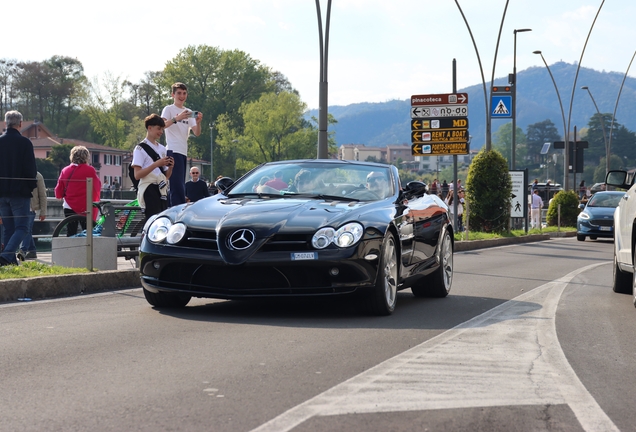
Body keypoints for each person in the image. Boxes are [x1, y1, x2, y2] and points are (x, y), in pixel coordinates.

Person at [0, 110, 37, 266]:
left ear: (6, 123)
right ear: (20, 124)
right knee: (23, 227)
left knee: (9, 229)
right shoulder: (25, 143)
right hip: (20, 193)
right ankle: (6, 257)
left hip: (2, 193)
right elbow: (30, 170)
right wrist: (30, 187)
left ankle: (9, 262)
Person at [161, 82, 202, 207]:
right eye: (179, 93)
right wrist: (177, 118)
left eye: (184, 93)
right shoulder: (168, 109)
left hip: (183, 151)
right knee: (176, 184)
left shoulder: (188, 112)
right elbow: (162, 125)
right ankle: (176, 210)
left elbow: (197, 132)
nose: (182, 96)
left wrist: (198, 122)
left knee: (180, 183)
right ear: (173, 94)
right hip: (173, 150)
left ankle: (176, 207)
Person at [131, 114, 174, 223]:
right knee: (152, 220)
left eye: (162, 129)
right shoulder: (140, 149)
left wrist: (170, 167)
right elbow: (137, 174)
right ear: (150, 128)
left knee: (162, 220)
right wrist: (156, 164)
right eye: (159, 129)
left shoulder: (162, 148)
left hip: (161, 188)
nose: (161, 132)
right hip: (149, 188)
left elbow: (166, 176)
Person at [54, 146, 102, 236]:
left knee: (71, 231)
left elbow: (59, 189)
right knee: (88, 232)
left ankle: (70, 249)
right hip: (86, 206)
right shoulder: (90, 170)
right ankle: (86, 249)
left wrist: (59, 195)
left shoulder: (65, 170)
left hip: (69, 205)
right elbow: (97, 186)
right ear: (86, 157)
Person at [19, 172, 47, 260]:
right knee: (27, 230)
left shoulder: (38, 176)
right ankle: (32, 251)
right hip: (19, 207)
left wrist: (43, 211)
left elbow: (42, 194)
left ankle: (23, 250)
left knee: (26, 229)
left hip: (31, 207)